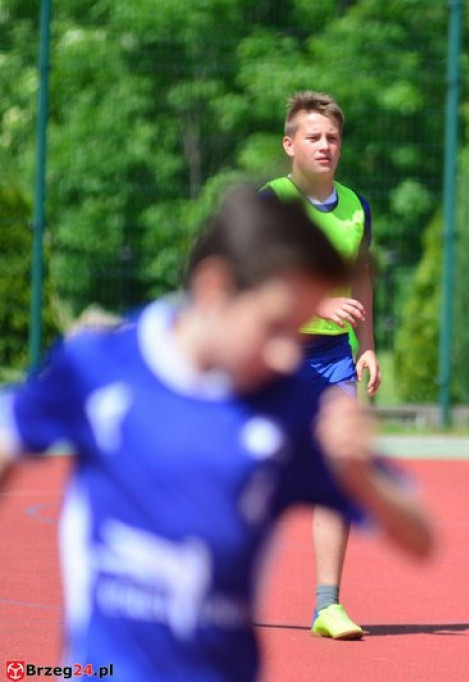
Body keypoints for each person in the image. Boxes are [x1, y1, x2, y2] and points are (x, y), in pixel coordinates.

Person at [0, 187, 433, 681]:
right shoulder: (101, 365)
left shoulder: (287, 408)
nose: (288, 354)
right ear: (215, 288)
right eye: (275, 327)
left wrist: (360, 474)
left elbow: (421, 538)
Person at [259, 90, 380, 641]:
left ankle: (327, 606)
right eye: (313, 136)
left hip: (333, 359)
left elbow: (360, 281)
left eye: (332, 137)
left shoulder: (356, 206)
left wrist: (368, 344)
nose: (325, 145)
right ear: (290, 145)